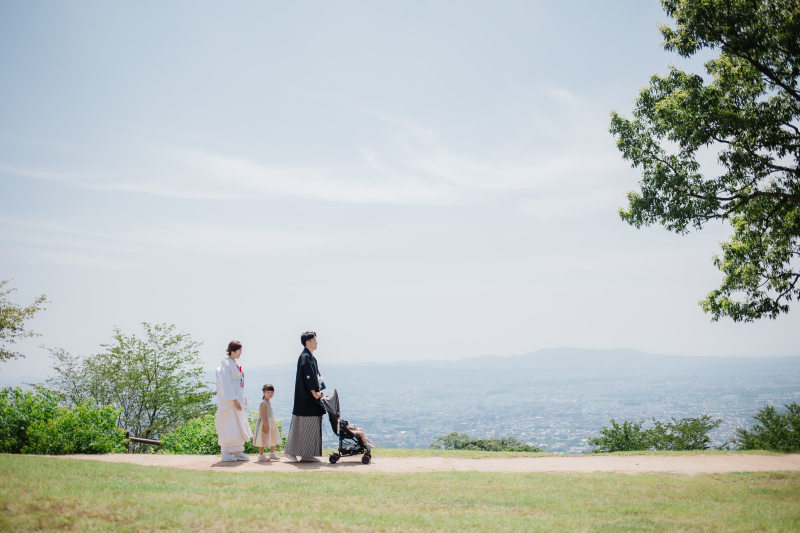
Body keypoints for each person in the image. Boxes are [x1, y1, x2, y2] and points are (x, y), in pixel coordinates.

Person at [283, 331, 326, 462]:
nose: (316, 342)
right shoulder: (304, 357)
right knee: (301, 425)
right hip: (305, 398)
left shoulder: (311, 357)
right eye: (314, 340)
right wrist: (314, 392)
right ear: (308, 342)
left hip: (313, 398)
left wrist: (319, 391)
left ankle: (307, 454)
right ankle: (290, 451)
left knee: (311, 425)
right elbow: (308, 377)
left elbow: (316, 376)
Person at [215, 340, 253, 462]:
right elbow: (226, 383)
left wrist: (243, 396)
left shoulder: (233, 363)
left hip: (237, 398)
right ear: (233, 350)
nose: (240, 353)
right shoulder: (227, 364)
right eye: (239, 351)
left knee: (239, 425)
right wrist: (234, 399)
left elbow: (239, 383)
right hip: (231, 401)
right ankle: (225, 451)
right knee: (230, 425)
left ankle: (238, 451)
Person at [253, 384, 281, 461]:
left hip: (271, 422)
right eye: (268, 392)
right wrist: (265, 425)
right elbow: (262, 415)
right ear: (263, 392)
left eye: (272, 392)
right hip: (264, 422)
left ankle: (272, 453)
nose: (270, 394)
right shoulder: (263, 402)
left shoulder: (269, 402)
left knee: (274, 437)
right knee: (263, 439)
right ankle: (261, 456)